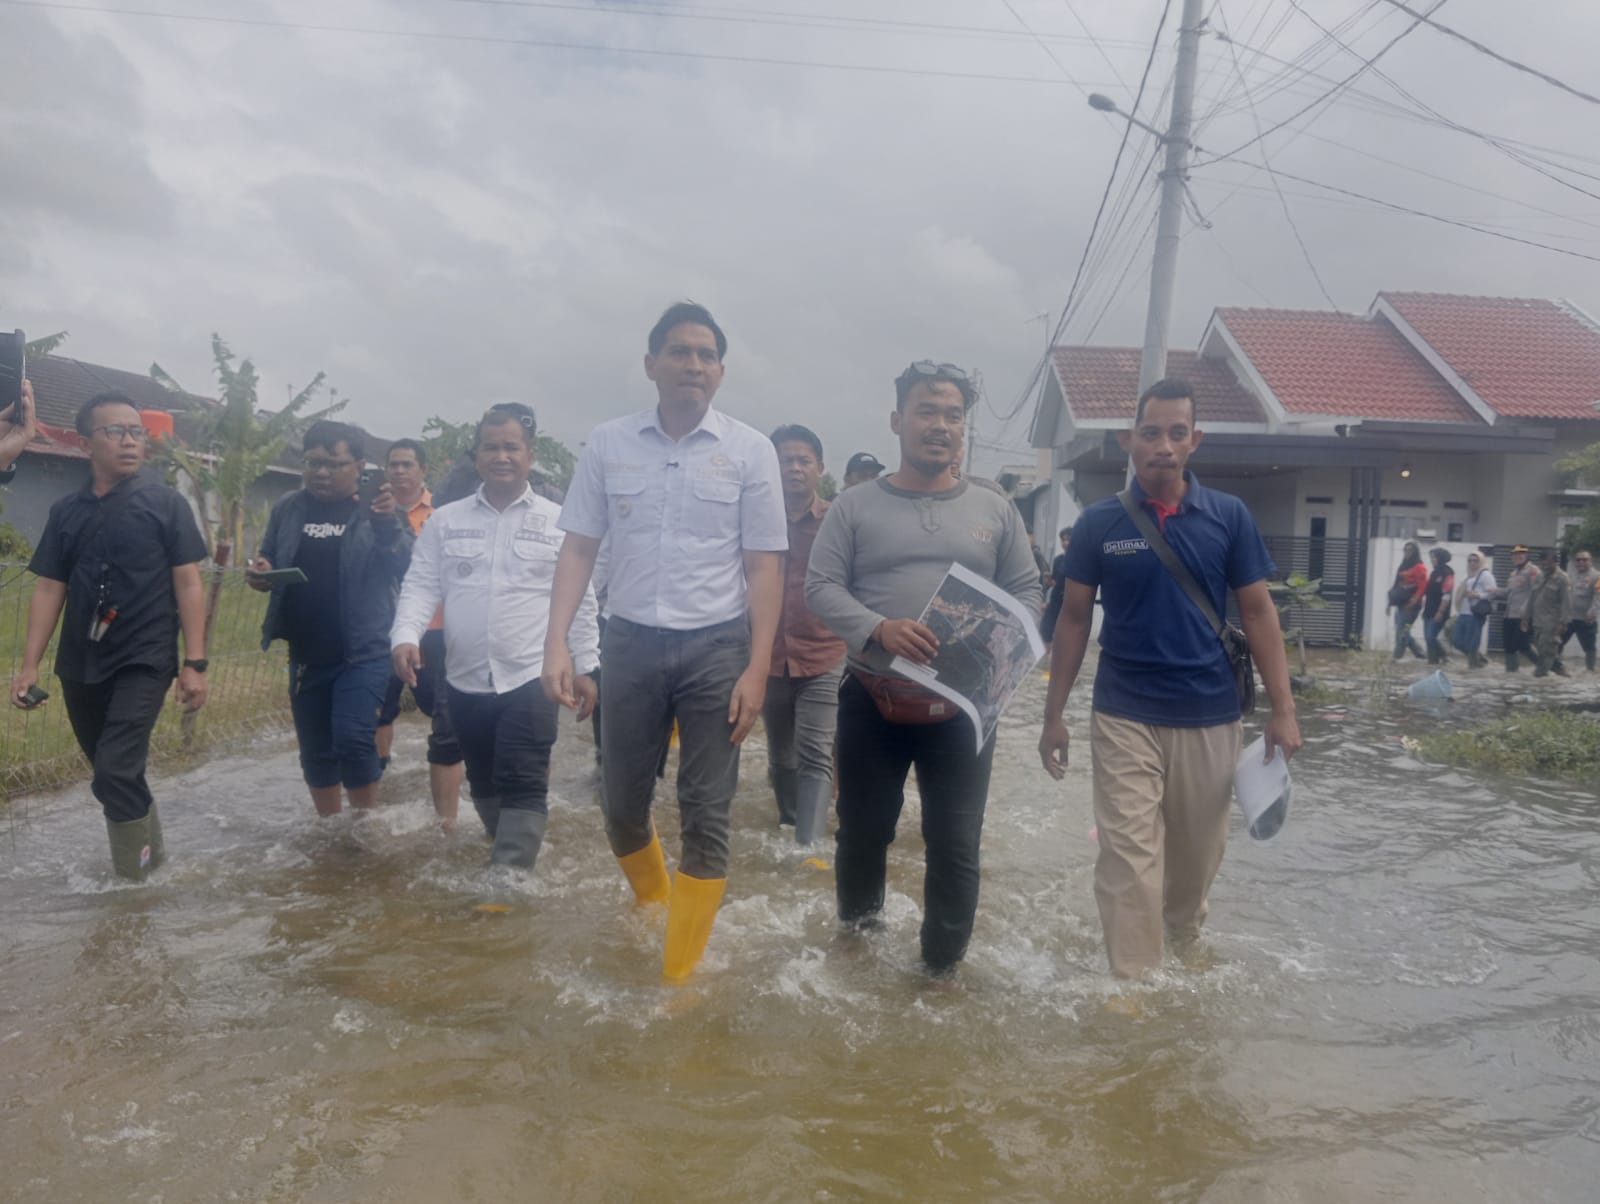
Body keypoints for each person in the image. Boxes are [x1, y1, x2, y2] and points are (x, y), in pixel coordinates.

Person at [541, 301, 786, 983]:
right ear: (652, 365)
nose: (693, 365)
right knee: (620, 806)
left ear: (721, 372)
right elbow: (580, 548)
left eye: (707, 355)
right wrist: (555, 644)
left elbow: (765, 568)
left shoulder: (749, 451)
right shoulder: (609, 443)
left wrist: (757, 669)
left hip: (717, 651)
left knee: (706, 813)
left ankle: (678, 984)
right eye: (680, 352)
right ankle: (655, 901)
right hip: (630, 647)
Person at [1037, 377, 1302, 980]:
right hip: (1124, 713)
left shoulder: (1228, 517)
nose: (1163, 445)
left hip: (1210, 715)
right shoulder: (1101, 525)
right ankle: (1135, 990)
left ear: (1194, 440)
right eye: (1151, 432)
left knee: (1193, 865)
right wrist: (1055, 716)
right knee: (1129, 857)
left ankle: (1180, 946)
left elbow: (1259, 612)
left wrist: (1282, 709)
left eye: (1176, 433)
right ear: (1129, 439)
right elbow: (1075, 621)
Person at [806, 360, 1042, 975]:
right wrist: (876, 630)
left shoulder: (997, 510)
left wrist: (991, 645)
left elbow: (1028, 592)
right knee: (861, 834)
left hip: (961, 713)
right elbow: (821, 586)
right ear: (897, 420)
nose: (940, 426)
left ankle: (940, 975)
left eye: (953, 416)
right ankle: (857, 949)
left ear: (964, 428)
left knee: (956, 847)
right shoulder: (855, 506)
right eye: (926, 412)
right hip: (871, 696)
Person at [11, 389, 209, 880]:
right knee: (113, 774)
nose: (129, 441)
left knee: (114, 772)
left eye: (136, 432)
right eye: (115, 431)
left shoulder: (165, 505)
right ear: (85, 444)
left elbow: (188, 583)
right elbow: (50, 587)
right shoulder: (66, 512)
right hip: (80, 660)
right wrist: (30, 664)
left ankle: (134, 885)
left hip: (144, 656)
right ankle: (152, 863)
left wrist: (194, 662)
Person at [392, 404, 599, 868]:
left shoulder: (560, 521)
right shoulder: (445, 521)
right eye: (491, 447)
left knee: (524, 777)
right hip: (464, 678)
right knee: (483, 781)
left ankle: (508, 881)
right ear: (477, 454)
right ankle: (506, 848)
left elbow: (581, 599)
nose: (501, 456)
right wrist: (405, 634)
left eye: (511, 447)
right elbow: (421, 584)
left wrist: (585, 666)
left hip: (532, 675)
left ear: (530, 454)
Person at [249, 420, 412, 817]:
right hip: (306, 652)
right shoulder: (289, 507)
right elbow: (269, 554)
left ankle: (363, 828)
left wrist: (388, 523)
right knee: (315, 747)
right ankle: (329, 829)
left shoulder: (378, 511)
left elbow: (406, 565)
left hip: (364, 650)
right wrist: (261, 571)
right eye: (313, 462)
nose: (321, 472)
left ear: (358, 466)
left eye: (333, 464)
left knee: (354, 738)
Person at [764, 424, 847, 845]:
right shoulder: (755, 518)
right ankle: (789, 823)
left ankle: (808, 847)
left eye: (803, 461)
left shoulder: (839, 522)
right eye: (785, 460)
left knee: (815, 752)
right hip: (765, 656)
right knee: (780, 754)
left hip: (824, 654)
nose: (794, 468)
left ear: (819, 468)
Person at [373, 439, 435, 762]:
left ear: (423, 470)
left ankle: (453, 765)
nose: (398, 471)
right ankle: (379, 769)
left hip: (433, 627)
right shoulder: (372, 512)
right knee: (380, 705)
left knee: (438, 703)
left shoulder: (440, 515)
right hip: (382, 624)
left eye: (407, 464)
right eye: (393, 464)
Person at [1528, 548, 1572, 678]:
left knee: (1547, 650)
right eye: (1542, 563)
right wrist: (1525, 617)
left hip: (1552, 622)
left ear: (1555, 562)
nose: (1544, 566)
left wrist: (1563, 622)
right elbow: (1532, 597)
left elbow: (1567, 602)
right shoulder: (1540, 576)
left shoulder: (1563, 579)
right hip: (1538, 621)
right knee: (1541, 648)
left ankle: (1541, 676)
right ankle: (1559, 668)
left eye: (1547, 563)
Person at [1498, 545, 1540, 672]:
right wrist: (1492, 592)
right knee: (1508, 646)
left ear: (1527, 556)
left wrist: (1525, 612)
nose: (1517, 557)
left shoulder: (1533, 571)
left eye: (1521, 554)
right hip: (1509, 615)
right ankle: (1512, 673)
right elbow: (1508, 592)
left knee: (1523, 645)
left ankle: (1545, 666)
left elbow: (1535, 592)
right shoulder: (1513, 573)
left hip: (1524, 616)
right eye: (1514, 554)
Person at [1452, 551, 1496, 669]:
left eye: (1475, 560)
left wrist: (1478, 595)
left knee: (1472, 644)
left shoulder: (1486, 575)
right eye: (1470, 560)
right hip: (1463, 613)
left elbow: (1492, 594)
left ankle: (1474, 669)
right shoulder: (1470, 575)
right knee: (1456, 641)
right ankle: (1479, 660)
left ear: (1481, 561)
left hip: (1475, 614)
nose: (1472, 563)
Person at [1558, 549, 1597, 672]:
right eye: (1578, 559)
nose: (1581, 562)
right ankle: (1557, 667)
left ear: (1591, 561)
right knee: (1557, 643)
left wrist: (1592, 613)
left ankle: (1590, 671)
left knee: (1589, 647)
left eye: (1584, 559)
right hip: (1569, 618)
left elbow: (1598, 598)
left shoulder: (1597, 576)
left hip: (1585, 618)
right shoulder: (1571, 575)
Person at [1388, 541, 1428, 661]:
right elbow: (1396, 584)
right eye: (1405, 550)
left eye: (1410, 550)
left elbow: (1422, 587)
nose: (1407, 552)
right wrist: (1389, 603)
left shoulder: (1420, 567)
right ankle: (1420, 654)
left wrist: (1414, 600)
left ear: (1415, 552)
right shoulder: (1403, 565)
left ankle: (1396, 658)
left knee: (1401, 632)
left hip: (1412, 605)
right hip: (1401, 603)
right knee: (1402, 630)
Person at [1039, 527, 1072, 648]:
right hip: (1055, 602)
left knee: (1064, 636)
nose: (1065, 543)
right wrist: (1046, 601)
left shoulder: (1080, 561)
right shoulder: (1058, 560)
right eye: (1063, 540)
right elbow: (1054, 582)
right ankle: (1048, 659)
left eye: (1068, 539)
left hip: (1070, 605)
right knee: (1045, 630)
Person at [1422, 547, 1455, 664]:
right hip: (1428, 610)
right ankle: (1433, 663)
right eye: (1431, 557)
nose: (1432, 560)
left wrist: (1441, 611)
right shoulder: (1434, 573)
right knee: (1428, 638)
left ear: (1440, 558)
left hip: (1439, 612)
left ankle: (1443, 656)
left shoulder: (1448, 573)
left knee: (1431, 637)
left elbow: (1447, 594)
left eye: (1434, 557)